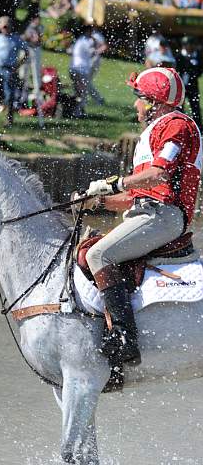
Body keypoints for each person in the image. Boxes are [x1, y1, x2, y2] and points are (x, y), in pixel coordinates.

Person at [83, 67, 202, 365]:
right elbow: (135, 196)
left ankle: (124, 340)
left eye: (139, 97)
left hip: (165, 216)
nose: (135, 104)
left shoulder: (178, 125)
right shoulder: (154, 132)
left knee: (99, 255)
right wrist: (96, 202)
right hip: (147, 212)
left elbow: (157, 174)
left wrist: (116, 182)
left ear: (153, 101)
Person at [0, 16, 28, 126]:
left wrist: (18, 65)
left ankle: (9, 119)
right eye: (3, 27)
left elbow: (26, 52)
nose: (5, 29)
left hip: (9, 70)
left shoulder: (16, 39)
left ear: (10, 26)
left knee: (9, 94)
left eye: (6, 26)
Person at [176, 37, 203, 130]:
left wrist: (193, 73)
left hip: (193, 85)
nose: (190, 47)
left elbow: (200, 70)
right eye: (188, 45)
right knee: (179, 106)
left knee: (195, 105)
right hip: (181, 85)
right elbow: (176, 69)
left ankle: (198, 126)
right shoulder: (179, 56)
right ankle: (179, 125)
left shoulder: (197, 56)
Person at [68, 25, 94, 118]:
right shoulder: (85, 41)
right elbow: (92, 52)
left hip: (75, 68)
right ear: (87, 31)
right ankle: (77, 112)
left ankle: (76, 111)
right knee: (81, 92)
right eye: (91, 31)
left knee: (78, 92)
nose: (92, 34)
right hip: (80, 69)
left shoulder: (80, 40)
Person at [87, 28, 107, 106]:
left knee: (86, 82)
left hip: (93, 61)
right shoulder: (88, 36)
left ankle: (98, 99)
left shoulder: (97, 35)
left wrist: (95, 52)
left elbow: (104, 46)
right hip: (88, 61)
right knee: (85, 82)